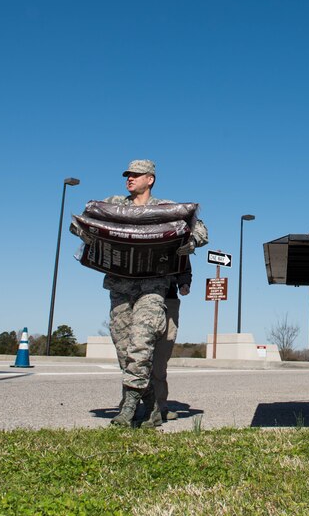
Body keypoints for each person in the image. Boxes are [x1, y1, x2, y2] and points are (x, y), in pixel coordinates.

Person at [104, 159, 208, 428]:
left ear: (150, 179)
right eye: (128, 175)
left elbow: (200, 229)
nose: (129, 179)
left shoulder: (165, 209)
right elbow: (90, 219)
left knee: (141, 343)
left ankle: (129, 407)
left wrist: (190, 242)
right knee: (124, 349)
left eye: (136, 175)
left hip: (152, 288)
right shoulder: (114, 204)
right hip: (120, 288)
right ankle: (150, 405)